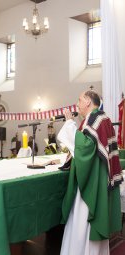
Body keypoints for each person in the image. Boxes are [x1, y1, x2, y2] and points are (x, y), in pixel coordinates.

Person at [57, 90, 122, 255]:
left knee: (82, 220)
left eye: (79, 100)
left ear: (88, 101)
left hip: (92, 182)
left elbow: (85, 148)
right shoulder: (101, 118)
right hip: (97, 178)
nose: (77, 104)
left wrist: (70, 123)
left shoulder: (95, 118)